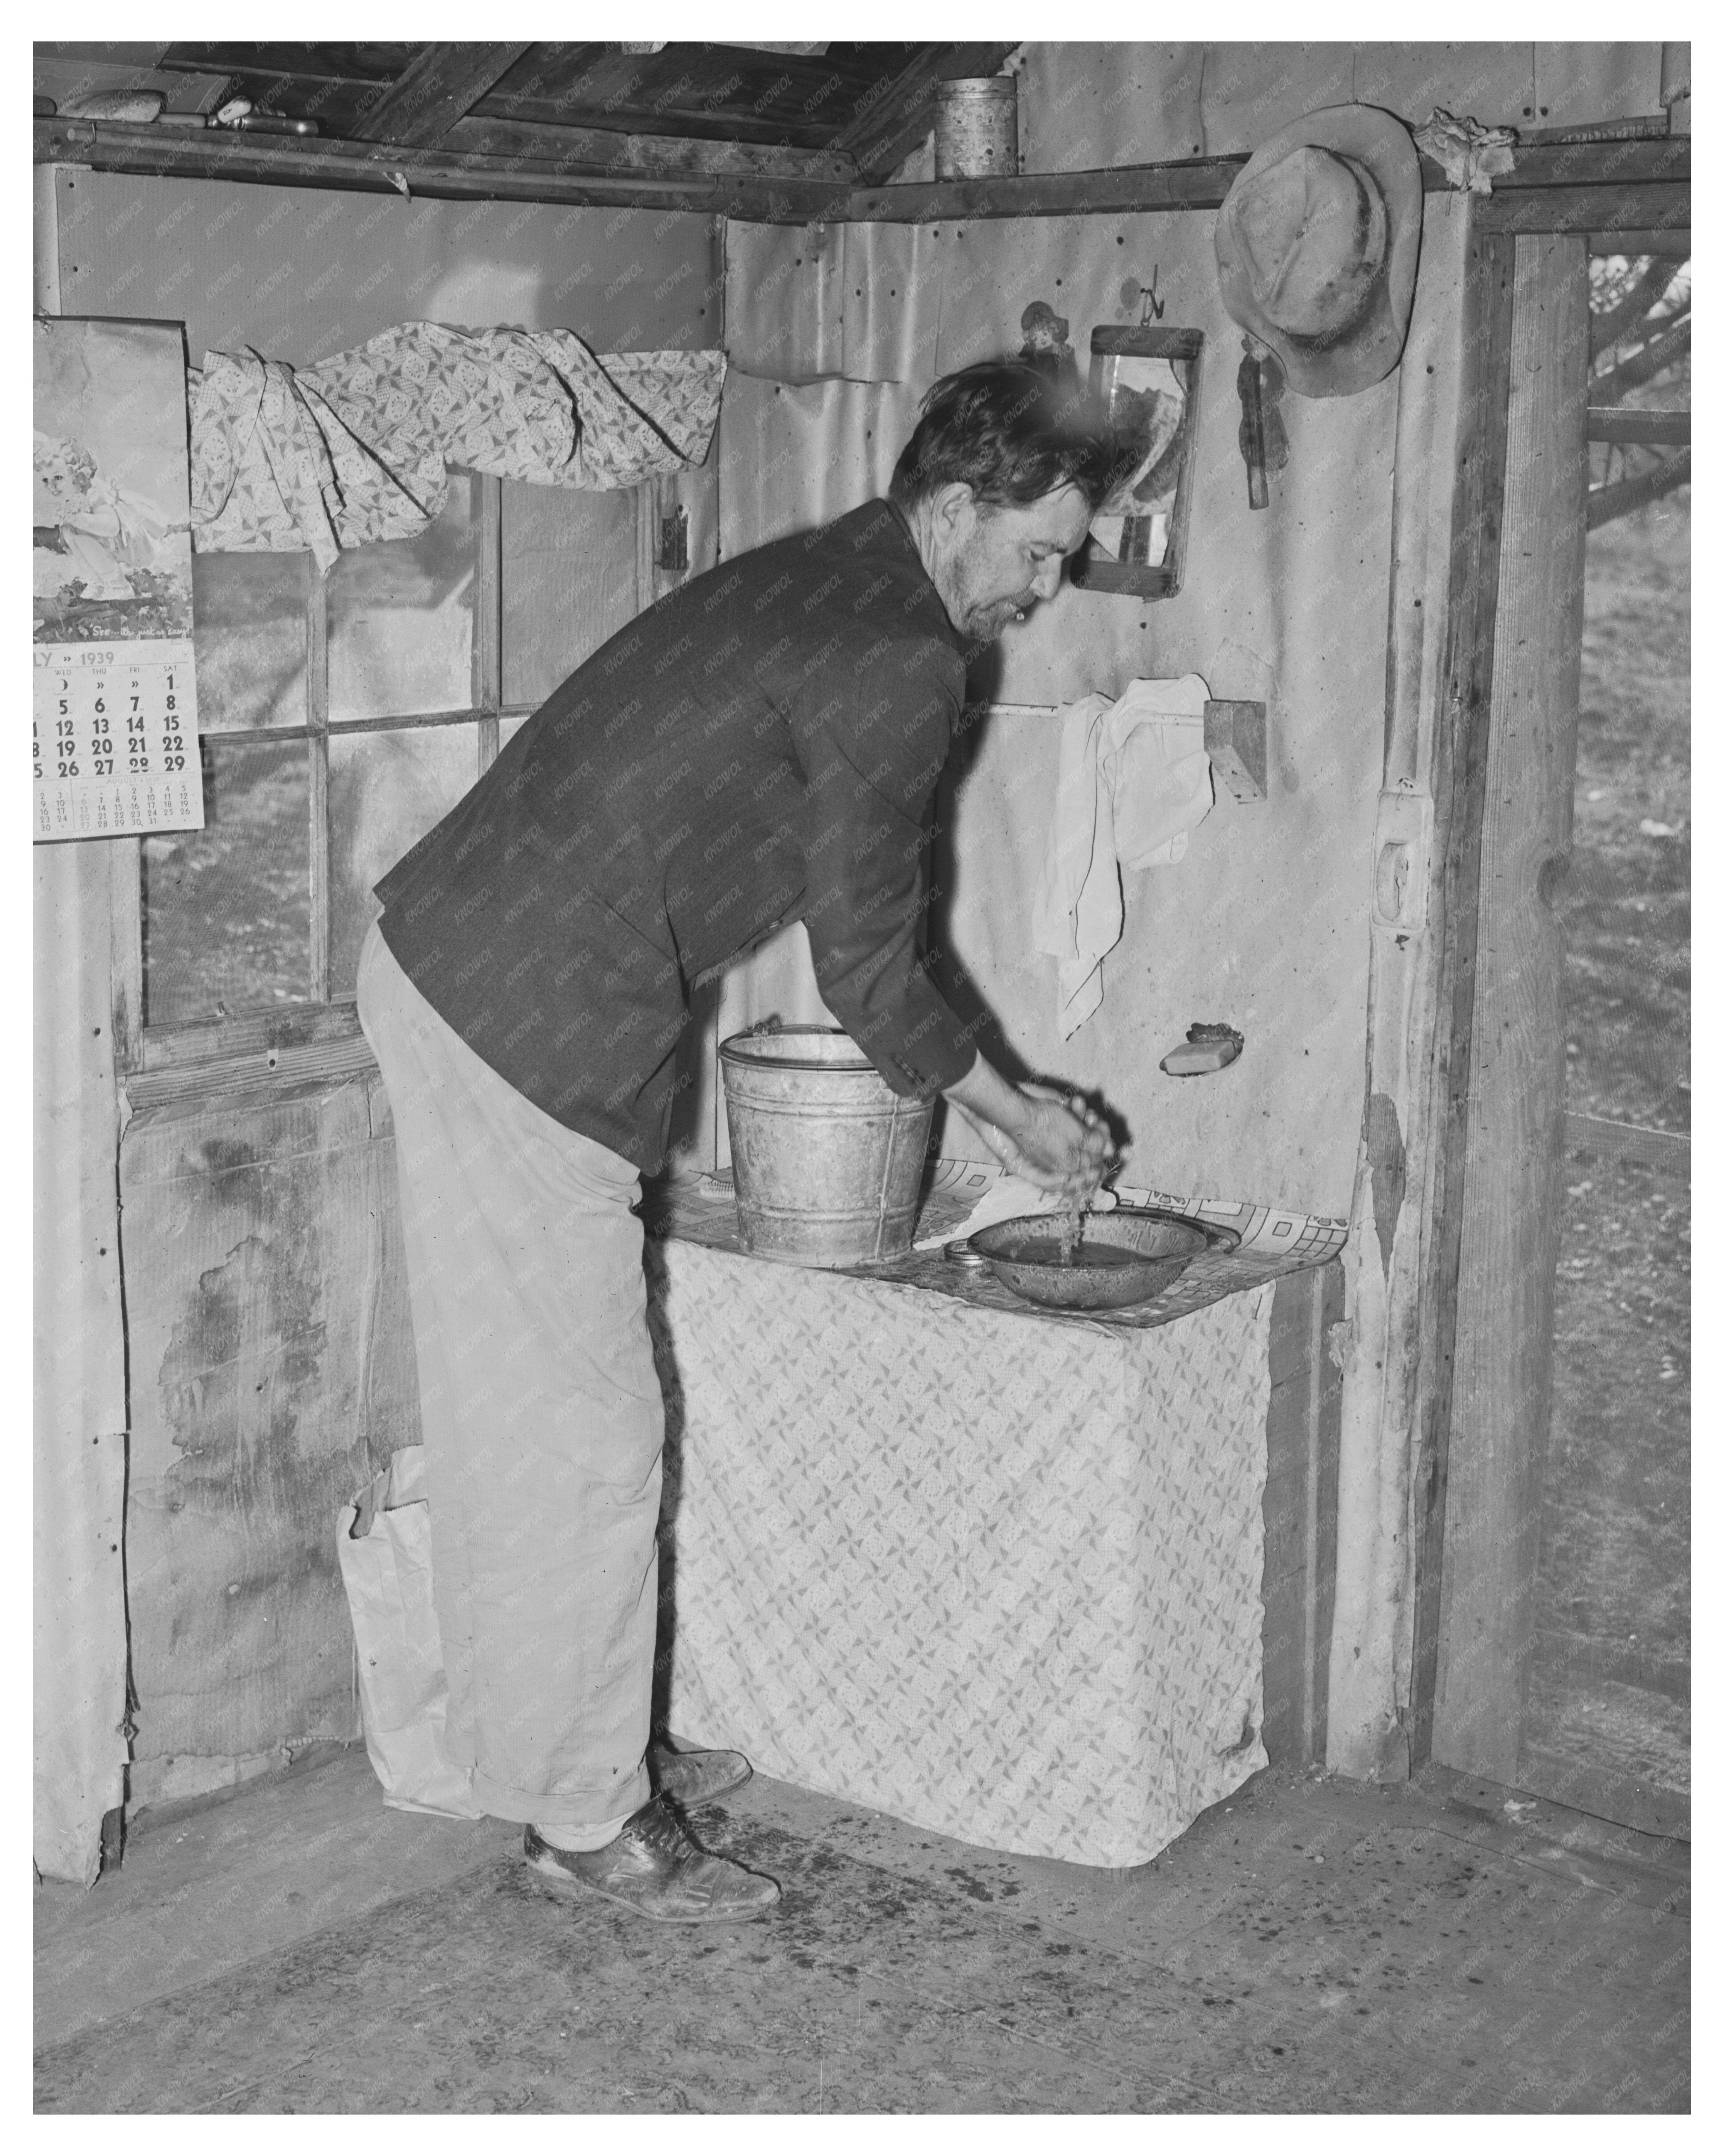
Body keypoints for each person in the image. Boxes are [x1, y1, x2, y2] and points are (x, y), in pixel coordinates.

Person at [357, 360, 1118, 1924]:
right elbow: (869, 963)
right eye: (1035, 552)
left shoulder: (840, 563)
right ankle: (583, 1826)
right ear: (955, 504)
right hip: (522, 1015)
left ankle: (565, 1763)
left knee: (545, 1424)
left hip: (472, 972)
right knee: (582, 1438)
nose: (1040, 593)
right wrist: (1018, 1114)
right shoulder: (899, 648)